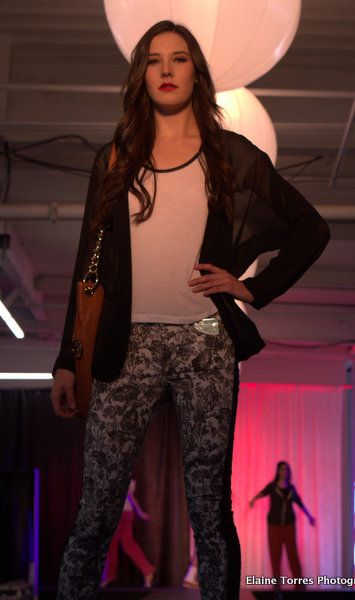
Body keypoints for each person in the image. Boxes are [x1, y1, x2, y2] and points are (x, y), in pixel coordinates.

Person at [50, 19, 329, 600]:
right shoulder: (115, 160)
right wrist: (65, 360)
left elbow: (311, 228)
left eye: (180, 59)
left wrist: (253, 288)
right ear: (141, 74)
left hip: (206, 340)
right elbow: (89, 268)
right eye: (156, 60)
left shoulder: (231, 155)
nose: (168, 69)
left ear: (195, 73)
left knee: (210, 511)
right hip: (125, 345)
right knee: (97, 507)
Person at [249, 461, 315, 588]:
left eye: (287, 469)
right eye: (283, 469)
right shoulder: (272, 486)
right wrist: (253, 500)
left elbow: (300, 503)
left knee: (292, 552)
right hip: (274, 525)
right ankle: (276, 585)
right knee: (275, 553)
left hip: (289, 525)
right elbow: (263, 493)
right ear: (278, 471)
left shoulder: (291, 488)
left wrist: (310, 517)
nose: (285, 472)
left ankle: (299, 583)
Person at [100, 479, 155, 589]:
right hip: (127, 513)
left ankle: (108, 576)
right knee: (128, 545)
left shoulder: (119, 475)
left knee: (112, 546)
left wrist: (139, 512)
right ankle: (147, 570)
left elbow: (128, 495)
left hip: (119, 515)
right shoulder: (131, 479)